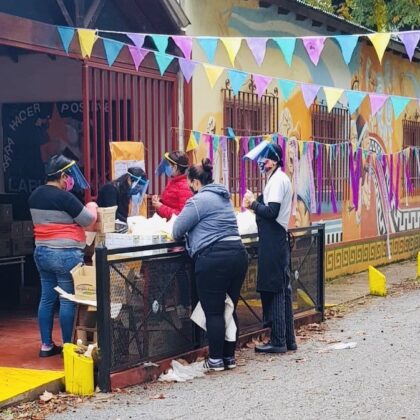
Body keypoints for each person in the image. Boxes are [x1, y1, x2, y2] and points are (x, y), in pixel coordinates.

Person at [173, 159, 248, 371]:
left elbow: (177, 230)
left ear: (196, 182)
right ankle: (229, 357)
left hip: (213, 258)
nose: (189, 187)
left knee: (213, 311)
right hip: (238, 254)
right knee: (229, 307)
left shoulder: (198, 201)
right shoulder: (223, 197)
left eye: (189, 183)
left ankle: (215, 359)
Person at [29, 155, 97, 357]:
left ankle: (46, 346)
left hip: (42, 253)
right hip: (65, 254)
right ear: (62, 176)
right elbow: (88, 220)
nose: (70, 180)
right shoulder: (65, 197)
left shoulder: (34, 196)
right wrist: (92, 207)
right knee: (67, 300)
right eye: (68, 176)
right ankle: (68, 347)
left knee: (47, 298)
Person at [243, 142, 297, 353]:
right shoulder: (279, 179)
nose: (261, 163)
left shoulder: (277, 181)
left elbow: (272, 212)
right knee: (283, 289)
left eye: (264, 159)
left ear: (273, 161)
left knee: (275, 288)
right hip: (276, 239)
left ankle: (278, 340)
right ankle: (288, 339)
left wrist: (253, 204)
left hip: (274, 240)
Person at [151, 151, 192, 219]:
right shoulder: (174, 181)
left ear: (175, 167)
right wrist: (158, 201)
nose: (165, 167)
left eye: (168, 165)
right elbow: (170, 203)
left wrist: (160, 207)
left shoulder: (184, 187)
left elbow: (183, 216)